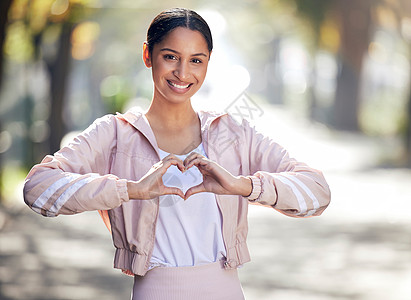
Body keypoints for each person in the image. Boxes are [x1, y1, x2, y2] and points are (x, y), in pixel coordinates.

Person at [23, 7, 331, 300]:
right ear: (148, 55)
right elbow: (37, 188)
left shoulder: (233, 134)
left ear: (209, 63)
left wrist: (243, 186)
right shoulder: (114, 134)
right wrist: (129, 190)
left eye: (196, 60)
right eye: (170, 57)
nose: (183, 73)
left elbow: (317, 192)